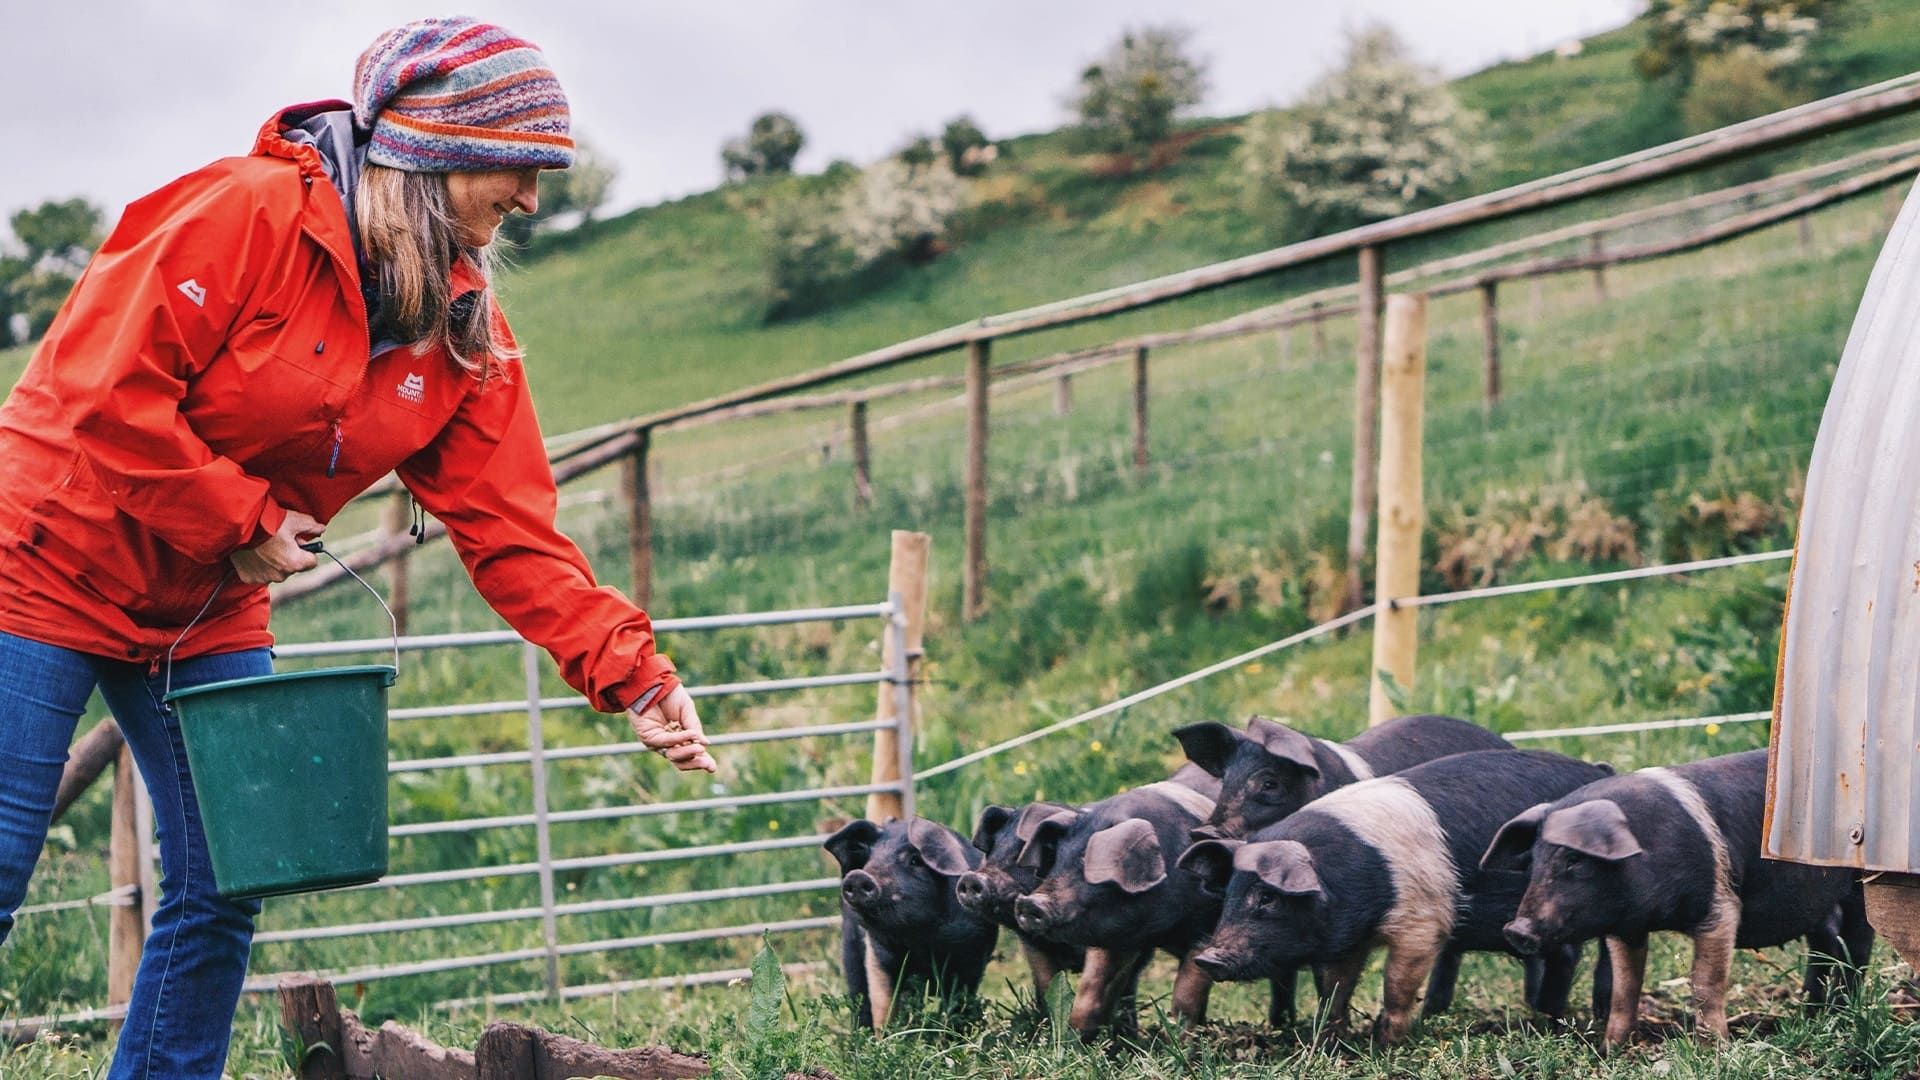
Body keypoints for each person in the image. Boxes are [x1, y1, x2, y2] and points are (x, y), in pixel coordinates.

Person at [0, 17, 713, 1078]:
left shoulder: (466, 330)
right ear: (433, 152)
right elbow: (101, 393)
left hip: (203, 602)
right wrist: (239, 518)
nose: (531, 198)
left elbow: (511, 529)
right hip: (46, 554)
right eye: (516, 167)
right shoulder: (245, 215)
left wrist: (632, 671)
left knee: (225, 874)